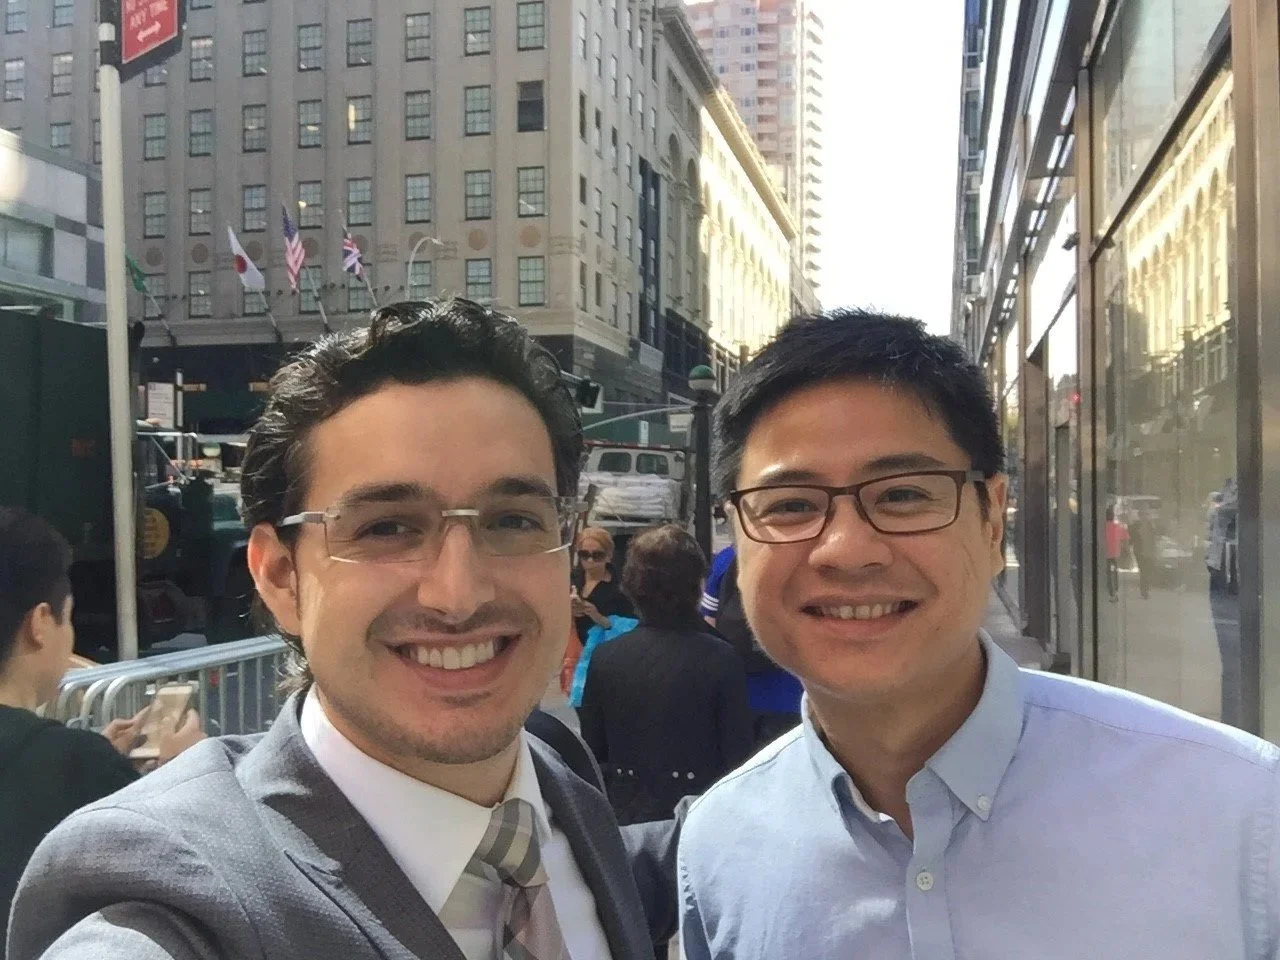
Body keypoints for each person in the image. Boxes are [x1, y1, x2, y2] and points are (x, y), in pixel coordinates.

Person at [9, 300, 679, 960]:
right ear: (278, 577)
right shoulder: (180, 896)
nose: (460, 593)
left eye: (511, 521)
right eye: (387, 528)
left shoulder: (558, 772)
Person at [677, 310, 1280, 958]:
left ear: (993, 522)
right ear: (737, 535)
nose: (847, 550)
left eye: (904, 495)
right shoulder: (718, 847)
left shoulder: (1242, 814)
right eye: (791, 505)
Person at [0, 507, 202, 933]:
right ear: (40, 623)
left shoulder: (74, 760)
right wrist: (187, 778)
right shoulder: (75, 766)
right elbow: (187, 880)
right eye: (67, 617)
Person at [578, 525, 752, 825]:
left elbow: (594, 754)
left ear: (632, 585)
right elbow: (738, 759)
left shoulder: (607, 658)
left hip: (627, 816)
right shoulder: (722, 658)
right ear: (697, 585)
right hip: (701, 815)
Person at [700, 543, 802, 747]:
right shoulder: (795, 557)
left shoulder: (726, 559)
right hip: (791, 693)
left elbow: (708, 622)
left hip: (739, 693)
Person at [571, 526, 633, 644]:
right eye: (584, 554)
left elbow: (628, 627)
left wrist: (597, 617)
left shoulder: (621, 587)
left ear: (609, 556)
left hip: (602, 648)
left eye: (597, 555)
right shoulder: (571, 578)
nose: (590, 560)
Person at [1104, 505, 1127, 602]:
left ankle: (1111, 591)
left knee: (1108, 573)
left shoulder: (1102, 527)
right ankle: (1116, 588)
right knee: (1114, 571)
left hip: (1105, 554)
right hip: (1115, 554)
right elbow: (1125, 538)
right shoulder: (1117, 526)